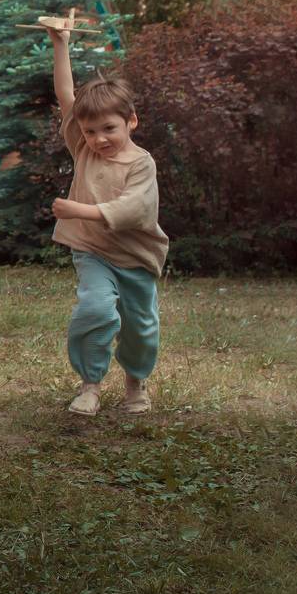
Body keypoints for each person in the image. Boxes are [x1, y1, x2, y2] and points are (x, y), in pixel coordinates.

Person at [47, 22, 169, 417]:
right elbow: (66, 96)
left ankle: (136, 382)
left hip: (136, 257)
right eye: (90, 131)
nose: (99, 138)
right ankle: (90, 385)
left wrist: (78, 210)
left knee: (140, 326)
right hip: (93, 252)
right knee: (95, 310)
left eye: (109, 129)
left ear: (131, 121)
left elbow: (135, 210)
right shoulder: (84, 149)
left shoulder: (141, 163)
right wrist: (61, 45)